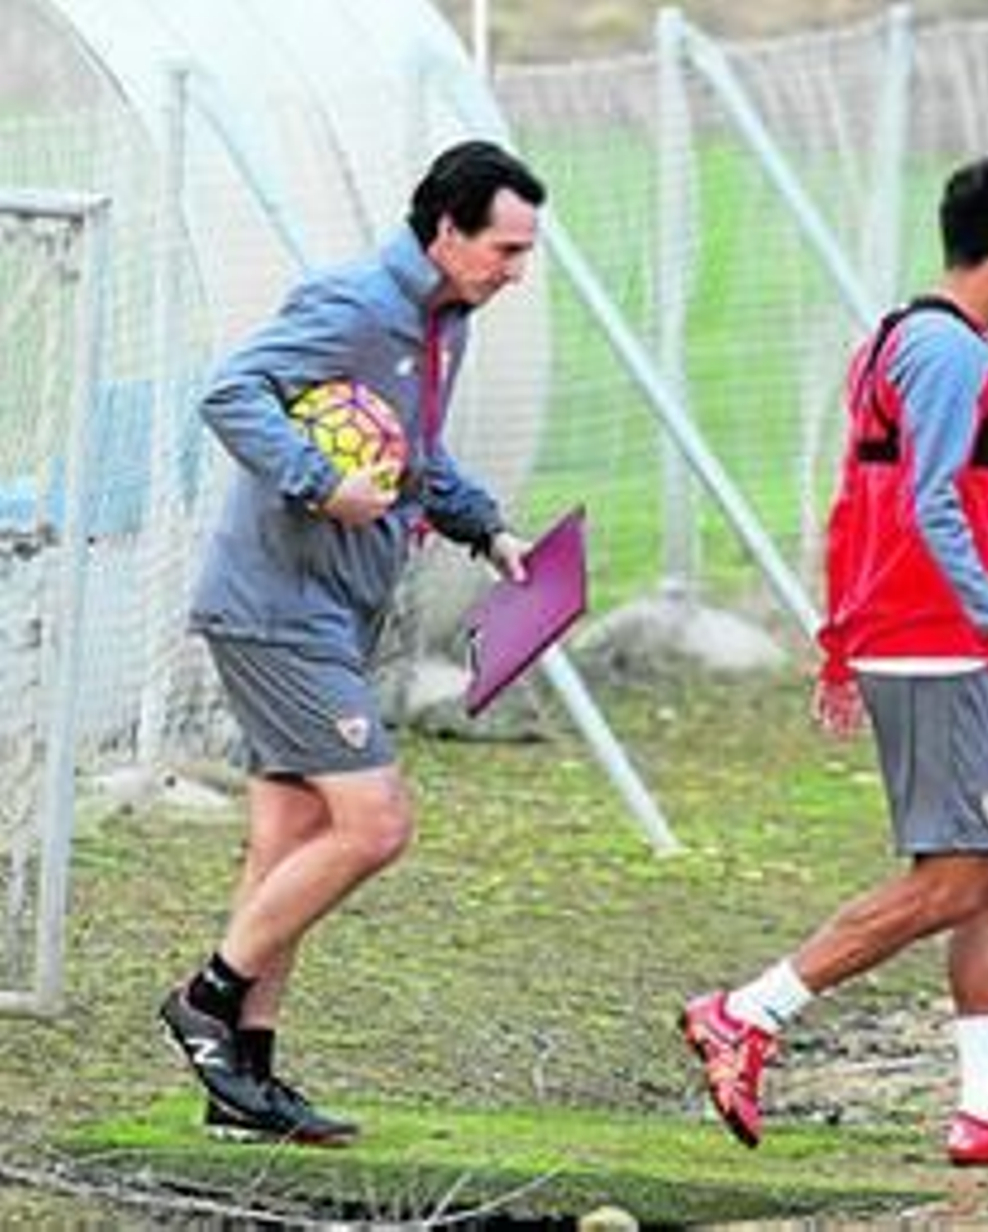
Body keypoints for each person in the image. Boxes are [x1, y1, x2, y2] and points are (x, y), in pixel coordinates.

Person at [681, 159, 988, 1167]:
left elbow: (853, 500)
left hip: (906, 635)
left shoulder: (888, 341)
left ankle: (987, 1106)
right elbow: (929, 504)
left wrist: (838, 641)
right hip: (938, 644)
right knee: (956, 875)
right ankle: (748, 1010)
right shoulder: (954, 357)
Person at [159, 140, 546, 1142]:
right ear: (446, 230)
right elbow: (231, 392)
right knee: (375, 822)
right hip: (275, 610)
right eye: (504, 248)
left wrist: (486, 526)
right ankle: (204, 1000)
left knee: (288, 841)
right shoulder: (352, 305)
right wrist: (315, 479)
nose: (516, 270)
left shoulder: (443, 322)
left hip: (329, 611)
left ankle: (244, 1083)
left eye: (525, 253)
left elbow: (413, 452)